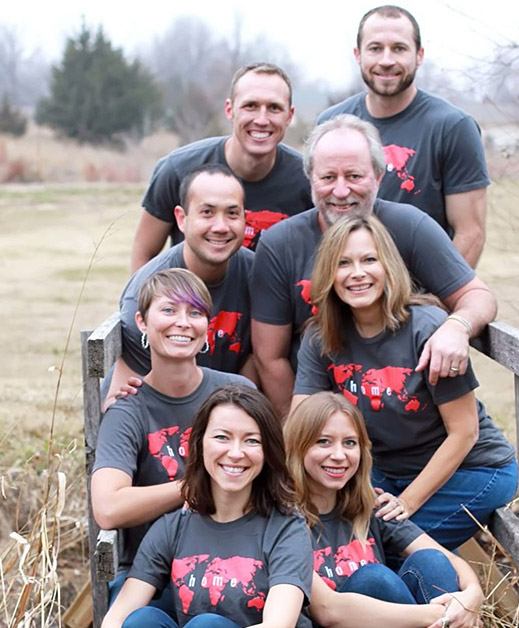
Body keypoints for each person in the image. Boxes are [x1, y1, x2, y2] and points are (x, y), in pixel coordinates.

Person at [292, 215, 517, 550]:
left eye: (369, 260)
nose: (357, 273)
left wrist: (407, 503)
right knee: (332, 543)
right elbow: (301, 423)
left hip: (471, 470)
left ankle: (443, 600)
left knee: (384, 548)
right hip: (386, 472)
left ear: (389, 267)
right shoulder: (321, 337)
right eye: (343, 263)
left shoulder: (427, 329)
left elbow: (464, 432)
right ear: (328, 274)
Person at [251, 114, 497, 416]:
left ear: (379, 177)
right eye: (328, 177)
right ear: (311, 178)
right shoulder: (280, 244)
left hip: (410, 418)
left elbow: (478, 296)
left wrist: (457, 327)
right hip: (321, 416)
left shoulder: (411, 227)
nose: (340, 191)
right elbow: (270, 358)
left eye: (354, 176)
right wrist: (304, 439)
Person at [92, 269, 255, 609]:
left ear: (207, 326)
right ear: (141, 321)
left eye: (195, 312)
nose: (183, 322)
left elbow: (270, 475)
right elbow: (108, 509)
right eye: (168, 310)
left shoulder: (238, 393)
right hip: (152, 573)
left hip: (236, 565)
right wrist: (193, 486)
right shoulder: (128, 409)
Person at [102, 385, 312, 628]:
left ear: (267, 451)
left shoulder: (287, 528)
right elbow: (116, 619)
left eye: (251, 440)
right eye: (222, 437)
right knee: (142, 621)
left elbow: (278, 625)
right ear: (200, 443)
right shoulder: (174, 526)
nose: (235, 453)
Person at [284, 392, 484, 628]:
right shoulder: (283, 521)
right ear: (298, 447)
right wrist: (444, 617)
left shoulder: (372, 507)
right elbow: (329, 611)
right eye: (323, 441)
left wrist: (472, 596)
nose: (339, 455)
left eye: (349, 442)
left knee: (431, 561)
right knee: (375, 580)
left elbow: (448, 559)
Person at [317, 6, 489, 268]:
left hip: (422, 296)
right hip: (349, 289)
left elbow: (470, 234)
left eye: (399, 48)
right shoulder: (331, 125)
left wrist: (435, 303)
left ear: (419, 55)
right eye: (375, 48)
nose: (386, 60)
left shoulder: (452, 127)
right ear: (358, 55)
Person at [104, 164, 255, 411]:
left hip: (230, 414)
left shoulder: (257, 275)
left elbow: (258, 360)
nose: (220, 226)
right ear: (182, 219)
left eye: (232, 213)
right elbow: (123, 399)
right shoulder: (146, 294)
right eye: (207, 212)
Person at [132, 62, 312, 269]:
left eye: (274, 108)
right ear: (230, 110)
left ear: (289, 115)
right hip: (192, 297)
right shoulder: (178, 170)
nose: (262, 120)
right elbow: (143, 254)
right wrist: (145, 300)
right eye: (250, 106)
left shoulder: (307, 179)